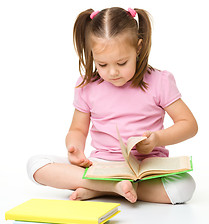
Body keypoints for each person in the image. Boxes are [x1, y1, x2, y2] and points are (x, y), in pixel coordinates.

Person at [27, 7, 198, 204]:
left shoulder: (159, 81)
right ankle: (111, 186)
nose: (113, 72)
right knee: (36, 165)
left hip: (145, 169)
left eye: (122, 62)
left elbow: (189, 124)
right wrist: (74, 147)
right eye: (102, 64)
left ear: (139, 48)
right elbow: (77, 129)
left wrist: (157, 139)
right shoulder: (87, 86)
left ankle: (101, 189)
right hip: (101, 166)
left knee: (184, 187)